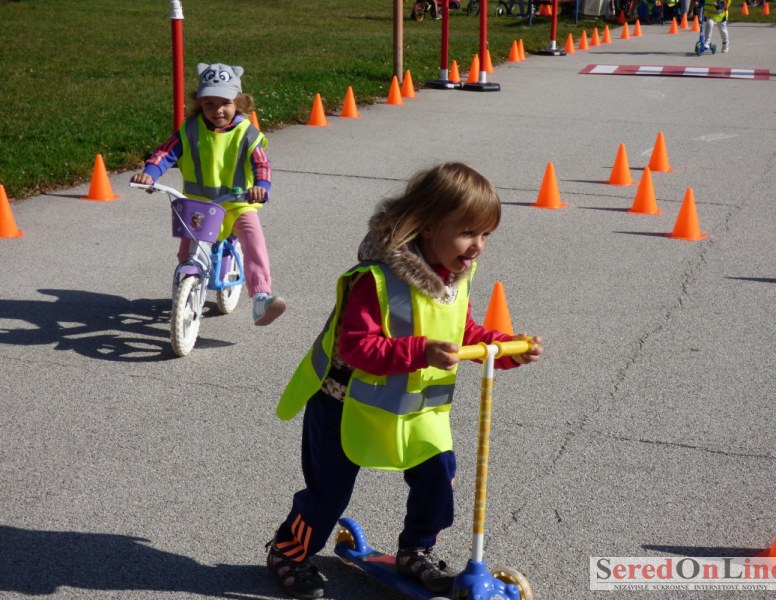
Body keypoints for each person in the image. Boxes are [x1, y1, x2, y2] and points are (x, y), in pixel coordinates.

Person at [265, 162, 543, 600]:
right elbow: (357, 346)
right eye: (468, 232)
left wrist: (505, 349)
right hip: (345, 405)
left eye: (486, 234)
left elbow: (463, 332)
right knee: (328, 494)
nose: (478, 246)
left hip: (416, 410)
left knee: (438, 477)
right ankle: (287, 551)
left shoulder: (455, 279)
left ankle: (417, 549)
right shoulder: (376, 279)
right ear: (429, 226)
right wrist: (420, 351)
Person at [131, 62, 285, 326]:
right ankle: (188, 284)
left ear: (239, 102)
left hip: (238, 203)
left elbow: (261, 164)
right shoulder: (190, 129)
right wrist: (150, 174)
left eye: (225, 103)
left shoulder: (247, 133)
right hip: (198, 206)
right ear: (199, 103)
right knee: (186, 253)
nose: (218, 110)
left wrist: (261, 186)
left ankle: (261, 297)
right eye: (209, 104)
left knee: (253, 239)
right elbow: (165, 153)